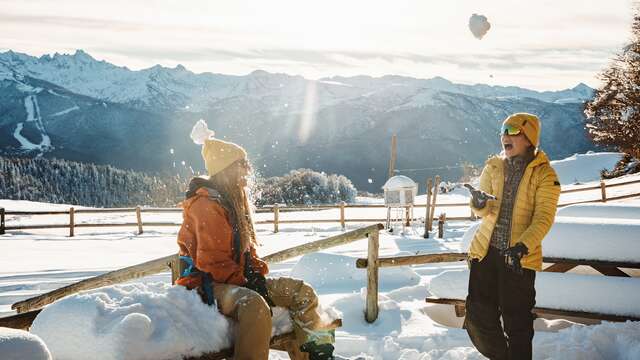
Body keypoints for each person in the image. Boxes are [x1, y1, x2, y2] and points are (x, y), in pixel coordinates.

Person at [175, 121, 336, 360]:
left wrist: (257, 275)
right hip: (206, 286)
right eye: (242, 165)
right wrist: (249, 284)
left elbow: (245, 254)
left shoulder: (230, 201)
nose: (247, 171)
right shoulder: (207, 206)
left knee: (302, 292)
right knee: (255, 306)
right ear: (226, 169)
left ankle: (316, 354)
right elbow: (213, 263)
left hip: (236, 281)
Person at [465, 113, 561, 360]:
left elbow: (543, 218)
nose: (505, 135)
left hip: (519, 257)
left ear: (529, 139)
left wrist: (522, 246)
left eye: (512, 130)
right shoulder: (493, 167)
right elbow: (483, 210)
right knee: (478, 315)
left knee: (517, 323)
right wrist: (477, 203)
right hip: (486, 253)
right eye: (503, 130)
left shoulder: (545, 175)